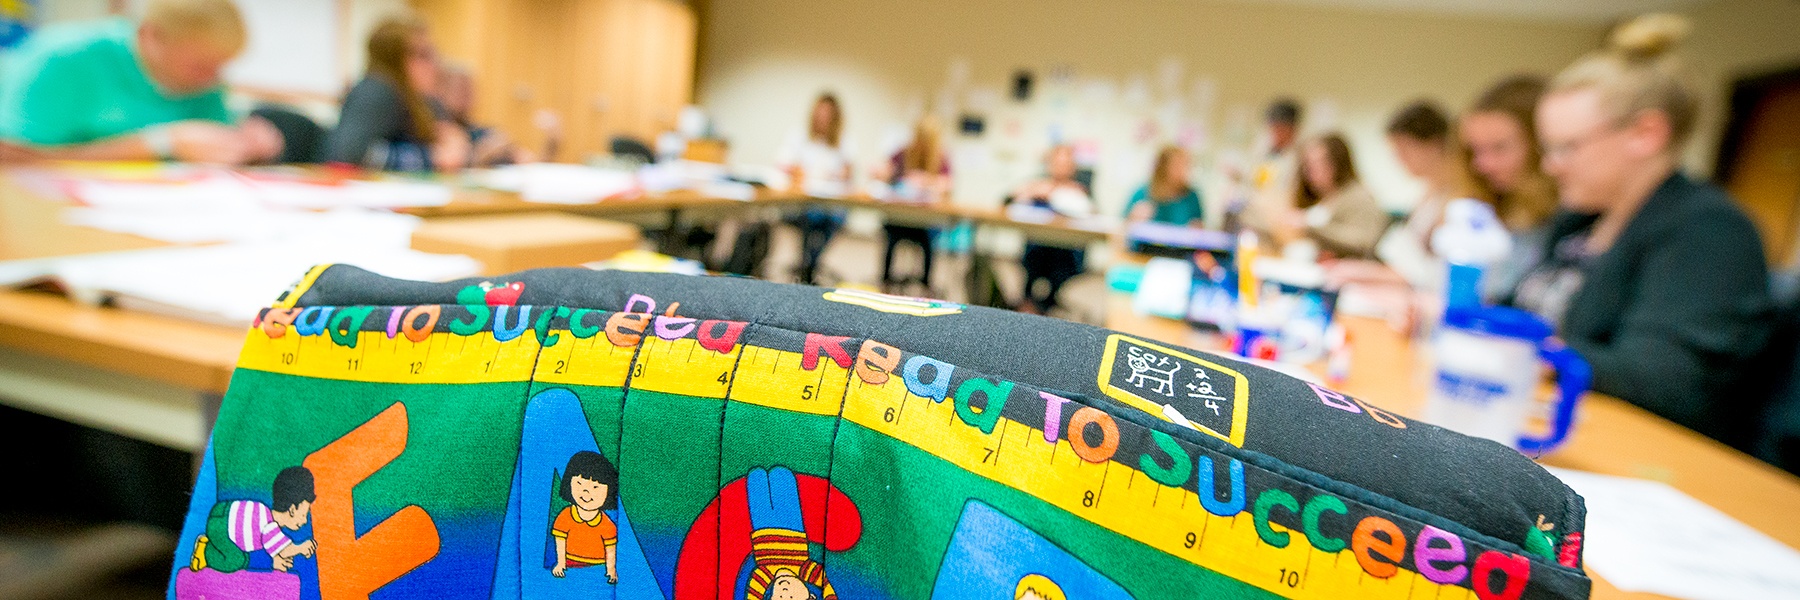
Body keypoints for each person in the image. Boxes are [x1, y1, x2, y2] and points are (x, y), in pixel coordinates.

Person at [1520, 13, 1772, 445]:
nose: (1550, 166)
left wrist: (1528, 348)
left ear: (1645, 134)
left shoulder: (1711, 231)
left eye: (1567, 147)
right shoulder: (1579, 222)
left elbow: (1665, 380)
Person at [0, 0, 279, 164]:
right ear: (151, 36)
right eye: (199, 67)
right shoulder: (61, 60)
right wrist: (157, 143)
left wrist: (246, 146)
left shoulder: (206, 81)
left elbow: (211, 154)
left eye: (220, 67)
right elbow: (11, 157)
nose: (213, 80)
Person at [325, 15, 468, 172]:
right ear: (394, 59)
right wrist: (431, 158)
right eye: (423, 55)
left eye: (434, 54)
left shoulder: (421, 101)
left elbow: (448, 144)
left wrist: (462, 142)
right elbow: (350, 153)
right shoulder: (376, 90)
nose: (435, 64)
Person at [1460, 75, 1560, 300]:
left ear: (1541, 145)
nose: (1482, 165)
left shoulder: (1567, 222)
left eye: (1499, 148)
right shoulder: (1498, 210)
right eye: (1475, 151)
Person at [1008, 145, 1094, 315]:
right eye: (1057, 162)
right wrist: (1025, 194)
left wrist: (1078, 201)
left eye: (1066, 163)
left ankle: (1043, 303)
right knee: (1035, 255)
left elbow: (1096, 217)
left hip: (1067, 250)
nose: (1061, 167)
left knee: (1059, 260)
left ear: (1073, 167)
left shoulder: (1081, 189)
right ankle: (1030, 301)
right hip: (1037, 247)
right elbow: (1006, 203)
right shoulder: (1037, 184)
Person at [776, 93, 852, 285]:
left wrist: (837, 174)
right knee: (810, 216)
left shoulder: (843, 141)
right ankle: (807, 266)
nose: (823, 118)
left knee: (833, 218)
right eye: (820, 113)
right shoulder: (799, 136)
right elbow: (784, 163)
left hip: (830, 202)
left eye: (828, 114)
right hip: (803, 200)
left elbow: (847, 172)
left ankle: (810, 264)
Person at [190, 466, 317, 574]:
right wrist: (300, 548)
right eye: (303, 515)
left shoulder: (265, 512)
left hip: (221, 511)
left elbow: (273, 548)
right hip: (221, 528)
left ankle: (210, 544)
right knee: (236, 560)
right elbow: (284, 550)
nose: (305, 521)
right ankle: (205, 550)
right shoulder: (270, 526)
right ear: (292, 509)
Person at [878, 116, 952, 294]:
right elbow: (883, 171)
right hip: (900, 217)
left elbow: (948, 185)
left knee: (929, 241)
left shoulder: (941, 158)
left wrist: (927, 181)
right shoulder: (903, 153)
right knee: (891, 235)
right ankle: (886, 281)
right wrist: (894, 176)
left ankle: (925, 285)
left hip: (926, 222)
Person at [1285, 134, 1388, 260]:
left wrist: (1309, 227)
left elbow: (1364, 241)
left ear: (1338, 162)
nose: (1310, 171)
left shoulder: (1358, 196)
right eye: (1307, 164)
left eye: (1318, 163)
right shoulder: (1324, 197)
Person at [436, 62, 556, 166]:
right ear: (440, 90)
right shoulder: (430, 132)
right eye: (460, 88)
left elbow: (531, 164)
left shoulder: (484, 133)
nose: (466, 95)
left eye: (470, 89)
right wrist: (484, 153)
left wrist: (551, 143)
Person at [1227, 98, 1304, 235]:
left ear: (1292, 129)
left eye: (1280, 128)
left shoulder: (1298, 159)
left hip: (1276, 225)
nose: (1274, 132)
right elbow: (1256, 182)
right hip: (1252, 219)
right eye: (1272, 127)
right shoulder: (1264, 153)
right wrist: (1239, 177)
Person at [551, 450, 619, 583]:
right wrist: (560, 563)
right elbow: (560, 541)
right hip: (570, 566)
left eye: (595, 487)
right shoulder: (565, 516)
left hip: (598, 567)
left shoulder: (606, 524)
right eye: (579, 484)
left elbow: (610, 548)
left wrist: (610, 569)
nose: (586, 492)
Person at [1125, 146, 1204, 227]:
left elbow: (1199, 228)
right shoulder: (1142, 193)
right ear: (1163, 167)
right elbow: (1122, 228)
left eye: (1186, 165)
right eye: (1177, 165)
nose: (1184, 171)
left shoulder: (1191, 197)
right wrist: (1132, 219)